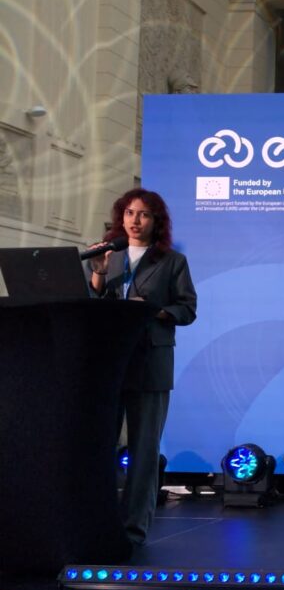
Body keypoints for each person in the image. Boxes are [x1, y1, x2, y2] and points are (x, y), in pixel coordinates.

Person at [87, 188, 197, 546]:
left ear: (156, 222)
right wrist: (99, 275)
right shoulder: (106, 256)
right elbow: (92, 305)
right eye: (130, 213)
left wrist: (154, 310)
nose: (135, 220)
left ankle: (134, 531)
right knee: (99, 448)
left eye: (144, 214)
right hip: (110, 363)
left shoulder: (171, 261)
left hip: (150, 363)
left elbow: (187, 309)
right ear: (120, 217)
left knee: (144, 452)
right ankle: (99, 525)